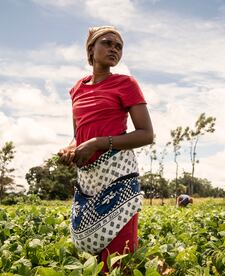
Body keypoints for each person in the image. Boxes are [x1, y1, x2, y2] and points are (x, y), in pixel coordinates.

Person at [58, 26, 154, 268]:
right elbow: (77, 135)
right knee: (93, 257)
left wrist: (100, 142)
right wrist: (70, 149)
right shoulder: (77, 89)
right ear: (91, 48)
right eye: (108, 43)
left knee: (117, 263)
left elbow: (146, 134)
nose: (114, 49)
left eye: (119, 46)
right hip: (88, 181)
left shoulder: (126, 84)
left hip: (117, 177)